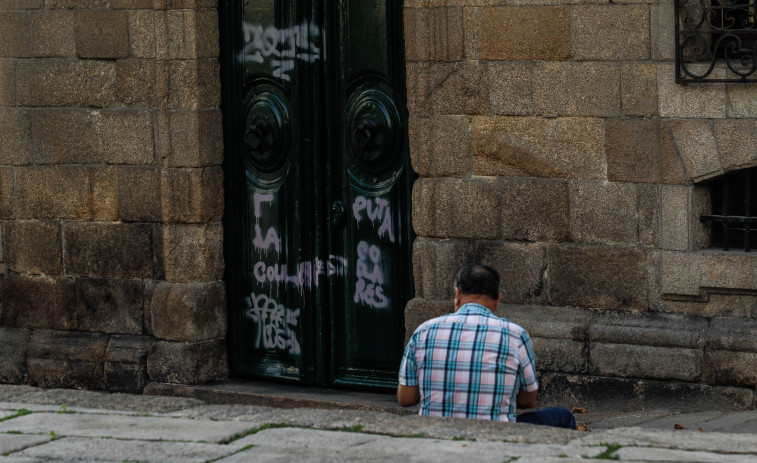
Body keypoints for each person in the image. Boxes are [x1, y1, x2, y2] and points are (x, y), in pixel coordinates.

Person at [397, 264, 575, 429]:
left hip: (435, 431)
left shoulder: (424, 331)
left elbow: (405, 399)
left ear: (457, 294)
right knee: (562, 416)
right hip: (495, 432)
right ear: (498, 300)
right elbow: (529, 400)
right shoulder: (515, 334)